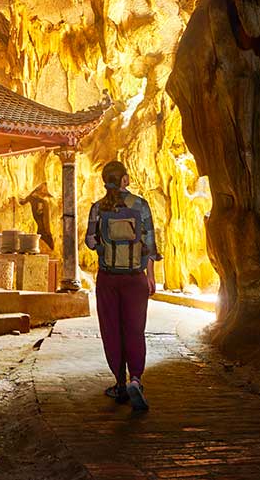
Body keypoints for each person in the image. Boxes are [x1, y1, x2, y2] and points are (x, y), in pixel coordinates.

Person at [84, 160, 162, 412]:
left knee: (112, 330)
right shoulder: (140, 205)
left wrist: (106, 245)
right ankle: (135, 379)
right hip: (135, 278)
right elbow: (150, 244)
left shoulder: (98, 208)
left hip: (108, 278)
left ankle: (119, 383)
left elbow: (90, 242)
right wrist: (150, 275)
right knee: (135, 329)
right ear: (125, 180)